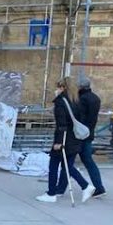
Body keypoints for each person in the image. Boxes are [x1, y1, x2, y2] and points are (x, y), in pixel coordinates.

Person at [37, 76, 95, 204]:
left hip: (64, 139)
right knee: (67, 166)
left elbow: (61, 124)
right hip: (74, 138)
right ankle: (85, 186)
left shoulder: (61, 102)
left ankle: (51, 193)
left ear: (62, 88)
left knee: (53, 166)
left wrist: (58, 142)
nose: (56, 90)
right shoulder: (76, 100)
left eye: (58, 87)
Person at [77, 77, 107, 198]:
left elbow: (80, 117)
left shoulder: (82, 99)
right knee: (88, 160)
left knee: (69, 160)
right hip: (90, 132)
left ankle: (60, 187)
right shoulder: (95, 98)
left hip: (80, 134)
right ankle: (99, 186)